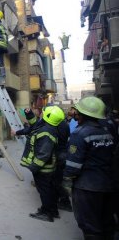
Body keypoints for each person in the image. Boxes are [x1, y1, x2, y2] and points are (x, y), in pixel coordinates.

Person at [62, 96, 116, 239]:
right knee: (107, 224)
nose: (75, 115)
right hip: (107, 184)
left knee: (91, 227)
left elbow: (73, 165)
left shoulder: (79, 134)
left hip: (86, 187)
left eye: (77, 113)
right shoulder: (106, 132)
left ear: (83, 114)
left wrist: (66, 182)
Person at [19, 106, 65, 222]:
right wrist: (28, 114)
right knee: (49, 189)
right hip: (47, 167)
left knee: (45, 191)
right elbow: (34, 124)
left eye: (44, 113)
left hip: (43, 169)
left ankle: (47, 213)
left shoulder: (46, 132)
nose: (42, 114)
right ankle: (52, 210)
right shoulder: (47, 126)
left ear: (48, 117)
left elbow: (43, 154)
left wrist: (34, 167)